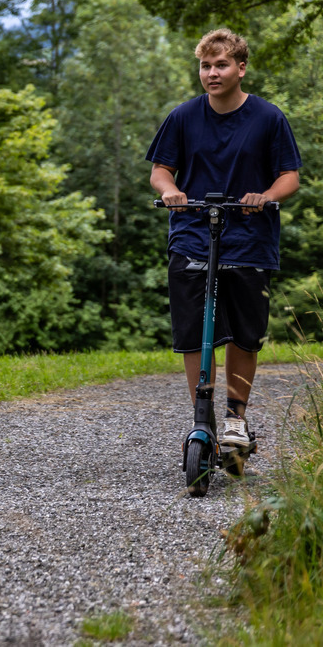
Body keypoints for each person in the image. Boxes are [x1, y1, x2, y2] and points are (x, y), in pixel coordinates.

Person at [147, 28, 301, 447]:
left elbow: (289, 176)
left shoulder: (268, 118)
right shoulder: (183, 117)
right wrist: (170, 191)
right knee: (193, 332)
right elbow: (161, 171)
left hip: (250, 237)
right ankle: (204, 417)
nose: (212, 73)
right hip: (192, 233)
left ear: (241, 68)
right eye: (205, 66)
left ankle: (235, 419)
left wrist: (266, 196)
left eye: (221, 65)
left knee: (245, 335)